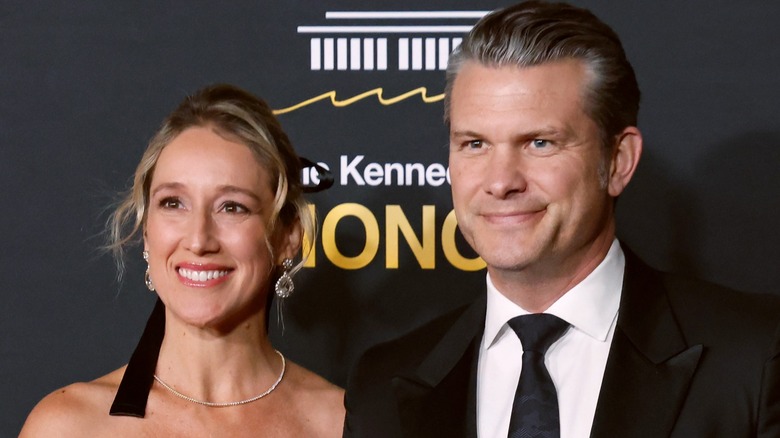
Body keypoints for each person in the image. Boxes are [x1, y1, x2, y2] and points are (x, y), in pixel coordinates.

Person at [343, 2, 780, 437]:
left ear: (617, 161)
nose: (501, 182)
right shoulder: (383, 383)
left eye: (539, 143)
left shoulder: (753, 357)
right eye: (475, 144)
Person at [20, 84, 344, 436]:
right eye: (173, 203)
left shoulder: (342, 423)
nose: (198, 239)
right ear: (146, 230)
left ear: (288, 237)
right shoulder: (70, 426)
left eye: (232, 207)